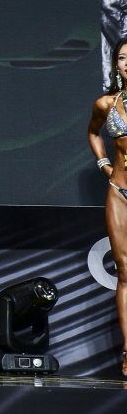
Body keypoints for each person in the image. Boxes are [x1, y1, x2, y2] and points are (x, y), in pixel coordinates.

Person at [90, 35, 127, 375]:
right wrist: (103, 163)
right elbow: (93, 133)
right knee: (125, 274)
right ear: (116, 65)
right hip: (119, 192)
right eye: (123, 58)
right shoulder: (106, 104)